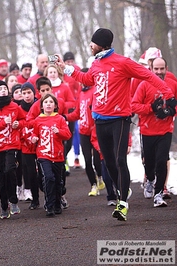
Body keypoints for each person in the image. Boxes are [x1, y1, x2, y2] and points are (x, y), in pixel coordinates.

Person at [58, 28, 176, 221]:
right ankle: (124, 189)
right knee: (109, 161)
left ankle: (122, 203)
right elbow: (87, 79)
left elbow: (148, 76)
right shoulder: (96, 63)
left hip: (119, 119)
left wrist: (169, 95)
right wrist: (66, 68)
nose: (90, 45)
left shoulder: (123, 62)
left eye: (93, 42)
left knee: (120, 160)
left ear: (102, 44)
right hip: (100, 120)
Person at [131, 57, 176, 207]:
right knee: (149, 163)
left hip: (165, 130)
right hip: (148, 130)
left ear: (166, 68)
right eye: (156, 69)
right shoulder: (144, 85)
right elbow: (134, 106)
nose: (159, 72)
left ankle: (158, 194)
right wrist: (150, 107)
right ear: (150, 69)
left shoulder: (172, 84)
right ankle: (150, 179)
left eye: (162, 69)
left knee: (162, 160)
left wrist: (170, 111)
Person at [0, 80, 25, 219]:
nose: (3, 90)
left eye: (4, 88)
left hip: (12, 144)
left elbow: (24, 120)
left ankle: (13, 201)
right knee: (1, 176)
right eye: (0, 88)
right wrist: (3, 123)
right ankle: (3, 206)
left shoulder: (14, 106)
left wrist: (17, 124)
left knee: (10, 171)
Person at [65, 68, 104, 196]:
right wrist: (65, 117)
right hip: (83, 131)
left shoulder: (95, 91)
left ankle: (100, 177)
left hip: (95, 131)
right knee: (87, 160)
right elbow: (77, 113)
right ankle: (93, 185)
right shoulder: (81, 94)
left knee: (97, 160)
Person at [31, 93, 72, 216]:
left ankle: (57, 203)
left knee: (58, 181)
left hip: (58, 155)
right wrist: (33, 138)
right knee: (49, 178)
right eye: (46, 102)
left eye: (51, 102)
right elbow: (35, 134)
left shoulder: (60, 119)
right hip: (43, 155)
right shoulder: (38, 120)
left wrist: (58, 131)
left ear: (55, 105)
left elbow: (68, 135)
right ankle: (49, 205)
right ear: (42, 106)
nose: (48, 104)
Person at [19, 82, 39, 208]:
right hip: (25, 145)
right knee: (30, 173)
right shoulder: (18, 108)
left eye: (29, 93)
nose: (27, 96)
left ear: (34, 93)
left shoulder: (39, 106)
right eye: (24, 93)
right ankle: (35, 200)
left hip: (40, 144)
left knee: (43, 172)